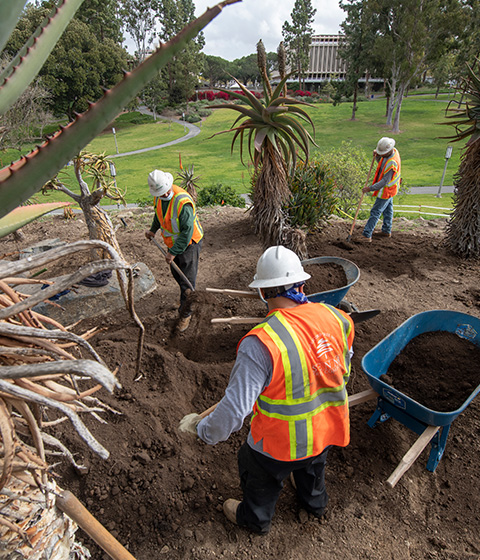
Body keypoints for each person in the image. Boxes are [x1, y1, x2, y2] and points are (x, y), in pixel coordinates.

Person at [179, 246, 354, 534]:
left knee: (256, 468)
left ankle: (255, 519)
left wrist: (204, 430)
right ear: (302, 283)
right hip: (325, 430)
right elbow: (342, 366)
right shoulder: (337, 317)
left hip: (277, 444)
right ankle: (315, 504)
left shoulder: (261, 343)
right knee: (313, 467)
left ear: (262, 293)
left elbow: (236, 411)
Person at [144, 169, 203, 332]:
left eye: (165, 191)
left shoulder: (182, 202)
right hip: (174, 243)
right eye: (161, 193)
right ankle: (183, 298)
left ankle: (186, 314)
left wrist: (173, 252)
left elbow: (187, 232)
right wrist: (152, 230)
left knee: (187, 280)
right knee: (177, 274)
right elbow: (159, 215)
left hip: (190, 243)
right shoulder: (158, 197)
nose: (164, 195)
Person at [360, 137, 401, 242]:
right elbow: (382, 163)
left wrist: (370, 188)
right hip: (392, 189)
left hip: (387, 190)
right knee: (388, 210)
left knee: (376, 211)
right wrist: (378, 156)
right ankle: (386, 231)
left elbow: (384, 181)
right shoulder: (394, 151)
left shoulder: (392, 162)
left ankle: (366, 235)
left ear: (387, 151)